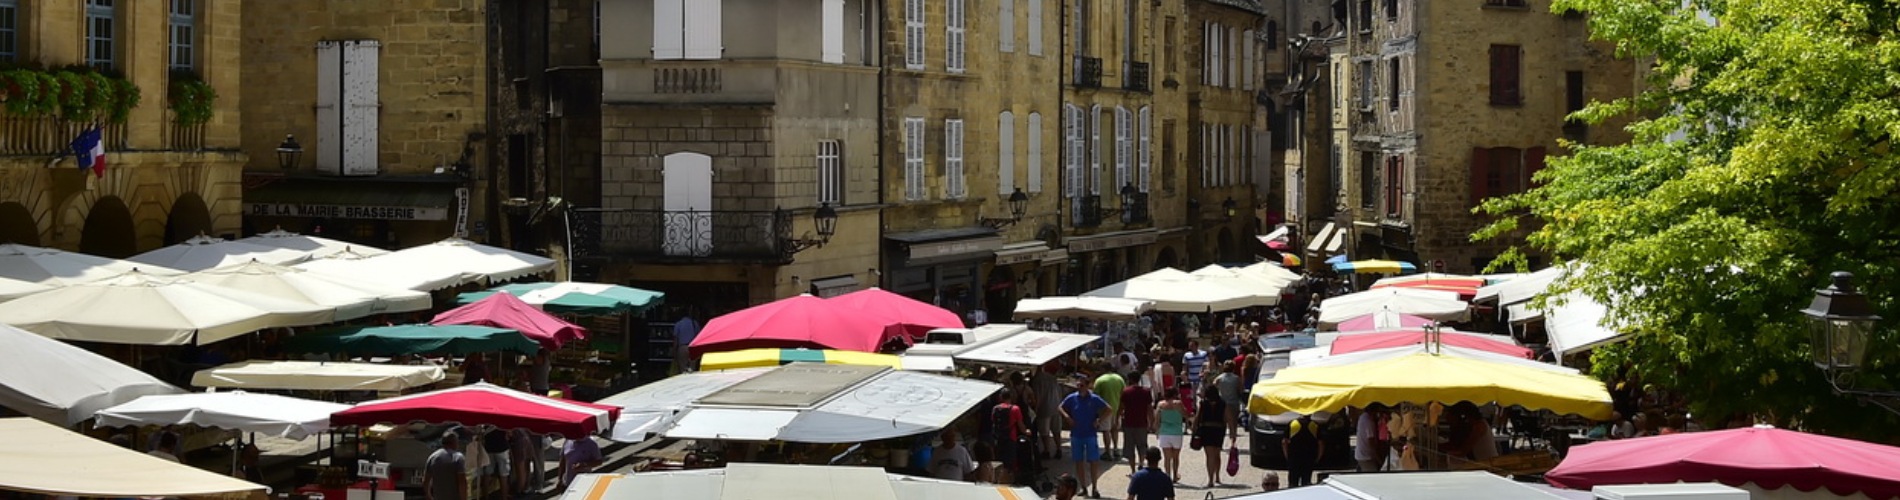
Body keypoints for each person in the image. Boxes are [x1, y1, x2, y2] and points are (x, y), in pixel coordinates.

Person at [1060, 374, 1111, 498]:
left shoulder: (1094, 398)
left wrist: (1099, 420)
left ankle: (1094, 487)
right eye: (1077, 385)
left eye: (1081, 385)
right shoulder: (1072, 398)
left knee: (1093, 461)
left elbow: (1109, 409)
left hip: (1090, 434)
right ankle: (1083, 487)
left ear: (1087, 386)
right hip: (1076, 434)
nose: (1079, 387)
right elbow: (1060, 407)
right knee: (1079, 462)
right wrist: (1067, 417)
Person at [988, 388, 1027, 483]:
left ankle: (998, 480)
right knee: (1010, 464)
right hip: (1010, 439)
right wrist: (1026, 432)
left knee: (1000, 462)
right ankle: (1009, 482)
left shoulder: (995, 408)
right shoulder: (1015, 409)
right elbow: (1020, 425)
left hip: (998, 439)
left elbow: (993, 422)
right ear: (1011, 397)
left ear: (1001, 397)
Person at [1192, 384, 1228, 488]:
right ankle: (1217, 476)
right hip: (1219, 430)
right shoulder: (1222, 403)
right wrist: (1231, 431)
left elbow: (1198, 417)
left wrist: (1194, 429)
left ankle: (1210, 480)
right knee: (1217, 455)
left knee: (1209, 456)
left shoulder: (1203, 403)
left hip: (1206, 430)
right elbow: (1226, 417)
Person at [1118, 377, 1154, 476]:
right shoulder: (1146, 392)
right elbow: (1150, 408)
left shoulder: (1126, 391)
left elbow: (1121, 407)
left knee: (1130, 447)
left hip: (1128, 423)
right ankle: (1141, 463)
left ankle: (1133, 470)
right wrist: (1152, 422)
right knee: (1142, 445)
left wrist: (1117, 418)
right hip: (1142, 423)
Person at [1152, 390, 1187, 481]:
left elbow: (1157, 419)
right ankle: (1175, 475)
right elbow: (1185, 415)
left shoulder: (1160, 404)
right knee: (1176, 457)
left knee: (1167, 458)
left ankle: (1167, 476)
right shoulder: (1178, 404)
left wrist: (1156, 431)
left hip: (1164, 433)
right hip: (1176, 433)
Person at [1093, 370, 1127, 461]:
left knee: (1106, 431)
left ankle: (1107, 451)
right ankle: (1115, 449)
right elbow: (1123, 393)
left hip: (1105, 410)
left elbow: (1095, 396)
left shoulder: (1099, 380)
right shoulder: (1120, 379)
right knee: (1115, 429)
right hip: (1117, 408)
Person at [1034, 362, 1065, 459]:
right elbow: (1059, 392)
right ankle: (1059, 449)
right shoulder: (1052, 378)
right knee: (1056, 430)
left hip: (1044, 408)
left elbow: (1038, 396)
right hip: (1056, 406)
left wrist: (1035, 409)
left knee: (1045, 432)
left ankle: (1047, 450)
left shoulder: (1036, 380)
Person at [425, 432, 468, 500]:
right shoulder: (458, 457)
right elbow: (462, 482)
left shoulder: (432, 457)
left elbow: (426, 481)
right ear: (454, 442)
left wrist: (428, 496)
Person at [1284, 414, 1323, 487]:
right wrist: (1318, 457)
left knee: (1293, 483)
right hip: (1308, 458)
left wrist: (1287, 455)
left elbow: (1284, 442)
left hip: (1294, 458)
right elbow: (1320, 444)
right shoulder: (1314, 425)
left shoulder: (1292, 424)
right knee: (1306, 482)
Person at [1213, 361, 1243, 447]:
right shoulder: (1236, 378)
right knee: (1233, 424)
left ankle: (1220, 442)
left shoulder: (1219, 378)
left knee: (1222, 424)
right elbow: (1240, 390)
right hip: (1234, 403)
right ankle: (1233, 442)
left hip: (1222, 403)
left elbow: (1213, 386)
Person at [1355, 405, 1387, 472]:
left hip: (1362, 455)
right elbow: (1371, 442)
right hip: (1366, 457)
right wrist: (1378, 459)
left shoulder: (1362, 417)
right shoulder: (1369, 422)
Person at [481, 427, 512, 494]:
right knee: (504, 474)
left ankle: (485, 497)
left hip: (489, 447)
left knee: (487, 473)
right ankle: (504, 497)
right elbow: (509, 432)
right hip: (502, 447)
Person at [672, 308, 701, 373]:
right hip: (692, 348)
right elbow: (699, 336)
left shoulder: (678, 324)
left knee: (683, 369)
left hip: (682, 347)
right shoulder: (694, 323)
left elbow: (676, 339)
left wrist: (674, 351)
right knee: (692, 369)